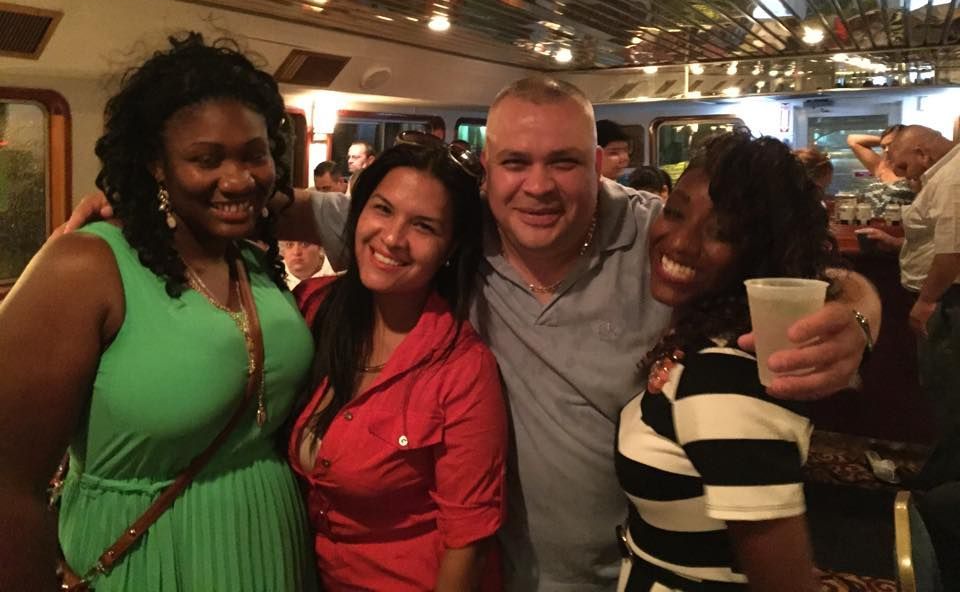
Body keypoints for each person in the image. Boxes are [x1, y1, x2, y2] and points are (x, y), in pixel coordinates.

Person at [63, 77, 880, 592]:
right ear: (485, 171)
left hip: (626, 569)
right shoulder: (446, 230)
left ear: (597, 163)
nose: (537, 186)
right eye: (513, 162)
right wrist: (135, 207)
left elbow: (774, 259)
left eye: (562, 162)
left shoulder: (657, 234)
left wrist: (859, 312)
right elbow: (277, 202)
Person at [0, 34, 318, 591]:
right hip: (151, 559)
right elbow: (8, 482)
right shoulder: (88, 265)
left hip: (270, 548)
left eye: (255, 154)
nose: (239, 178)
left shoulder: (251, 259)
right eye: (205, 159)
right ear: (155, 165)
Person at [616, 132, 839, 591]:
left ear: (759, 254)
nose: (680, 242)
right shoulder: (699, 342)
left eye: (722, 232)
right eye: (675, 212)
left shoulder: (725, 380)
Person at [289, 137, 507, 591]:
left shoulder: (462, 368)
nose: (392, 238)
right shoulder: (313, 309)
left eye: (424, 226)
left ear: (449, 247)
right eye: (382, 209)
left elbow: (467, 540)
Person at [864, 125, 960, 488]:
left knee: (949, 395)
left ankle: (939, 492)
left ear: (923, 153)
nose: (904, 176)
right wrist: (896, 244)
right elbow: (938, 237)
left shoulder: (952, 178)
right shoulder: (945, 174)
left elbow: (952, 255)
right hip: (946, 299)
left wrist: (926, 301)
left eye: (903, 167)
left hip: (949, 302)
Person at [847, 125, 916, 215]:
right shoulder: (881, 165)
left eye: (891, 145)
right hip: (869, 224)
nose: (886, 150)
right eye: (884, 147)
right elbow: (853, 140)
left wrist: (902, 141)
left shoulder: (916, 169)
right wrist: (886, 140)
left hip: (898, 226)